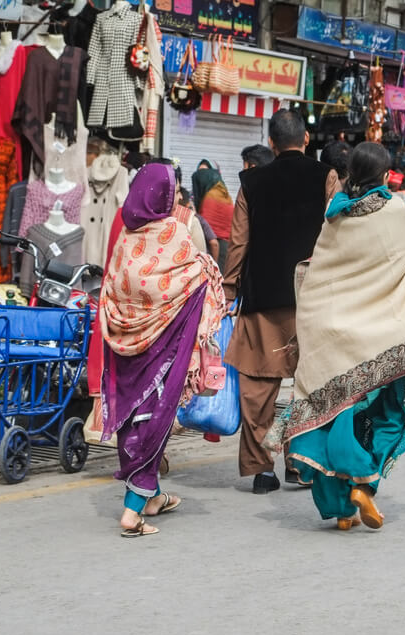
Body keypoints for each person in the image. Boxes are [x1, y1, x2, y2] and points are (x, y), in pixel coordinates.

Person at [265, 141, 405, 530]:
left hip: (332, 337)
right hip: (377, 339)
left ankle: (342, 510)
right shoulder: (394, 211)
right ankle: (365, 483)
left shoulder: (334, 216)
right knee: (381, 414)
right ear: (385, 175)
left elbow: (319, 277)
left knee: (330, 416)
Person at [100, 162, 226, 537]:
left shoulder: (125, 236)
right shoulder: (173, 232)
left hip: (126, 350)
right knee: (153, 423)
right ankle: (131, 511)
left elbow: (117, 285)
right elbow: (194, 278)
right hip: (162, 352)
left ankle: (151, 498)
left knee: (132, 420)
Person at [223, 109, 340, 494]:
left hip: (262, 299)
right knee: (306, 384)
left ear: (271, 143)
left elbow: (239, 243)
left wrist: (228, 289)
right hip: (312, 298)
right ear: (306, 139)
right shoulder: (325, 177)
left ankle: (262, 471)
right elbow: (337, 235)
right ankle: (299, 464)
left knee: (258, 388)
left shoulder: (251, 182)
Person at [191, 159, 234, 269]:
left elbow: (205, 229)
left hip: (213, 245)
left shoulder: (210, 197)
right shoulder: (222, 192)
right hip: (226, 244)